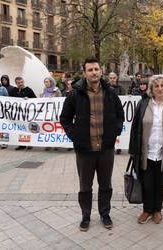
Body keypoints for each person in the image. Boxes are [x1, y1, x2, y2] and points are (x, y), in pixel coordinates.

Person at [60, 58, 124, 232]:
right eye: (90, 70)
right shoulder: (75, 94)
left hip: (106, 149)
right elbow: (64, 118)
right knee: (85, 187)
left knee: (106, 185)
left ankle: (105, 214)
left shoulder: (110, 93)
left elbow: (120, 115)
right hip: (84, 150)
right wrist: (75, 136)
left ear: (101, 71)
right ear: (84, 73)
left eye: (96, 69)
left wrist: (115, 133)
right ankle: (85, 216)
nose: (94, 72)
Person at [129, 75, 163, 224]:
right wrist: (134, 150)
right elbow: (135, 128)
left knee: (160, 184)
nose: (160, 88)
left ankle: (157, 210)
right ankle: (147, 210)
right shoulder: (143, 104)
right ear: (151, 89)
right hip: (146, 153)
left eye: (162, 85)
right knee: (146, 183)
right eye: (156, 86)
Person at [10, 77, 37, 150]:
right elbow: (9, 100)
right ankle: (21, 144)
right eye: (18, 83)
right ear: (16, 83)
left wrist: (28, 99)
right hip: (17, 115)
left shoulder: (28, 90)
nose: (20, 84)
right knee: (19, 130)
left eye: (21, 82)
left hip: (27, 114)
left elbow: (35, 99)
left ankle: (30, 143)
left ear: (23, 82)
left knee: (28, 129)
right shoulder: (13, 91)